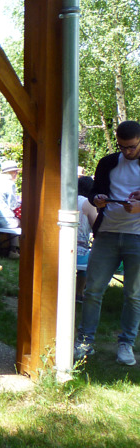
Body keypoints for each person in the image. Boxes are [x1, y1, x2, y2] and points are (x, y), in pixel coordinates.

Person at [75, 120, 140, 366]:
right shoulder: (108, 162)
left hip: (137, 237)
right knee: (92, 290)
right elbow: (93, 193)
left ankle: (126, 344)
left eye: (131, 147)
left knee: (134, 294)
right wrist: (98, 198)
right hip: (106, 234)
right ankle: (85, 342)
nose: (127, 152)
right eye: (122, 147)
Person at [76, 176, 98, 303]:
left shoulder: (66, 200)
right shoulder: (88, 203)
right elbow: (96, 226)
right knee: (91, 258)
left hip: (60, 249)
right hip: (80, 252)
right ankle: (79, 293)